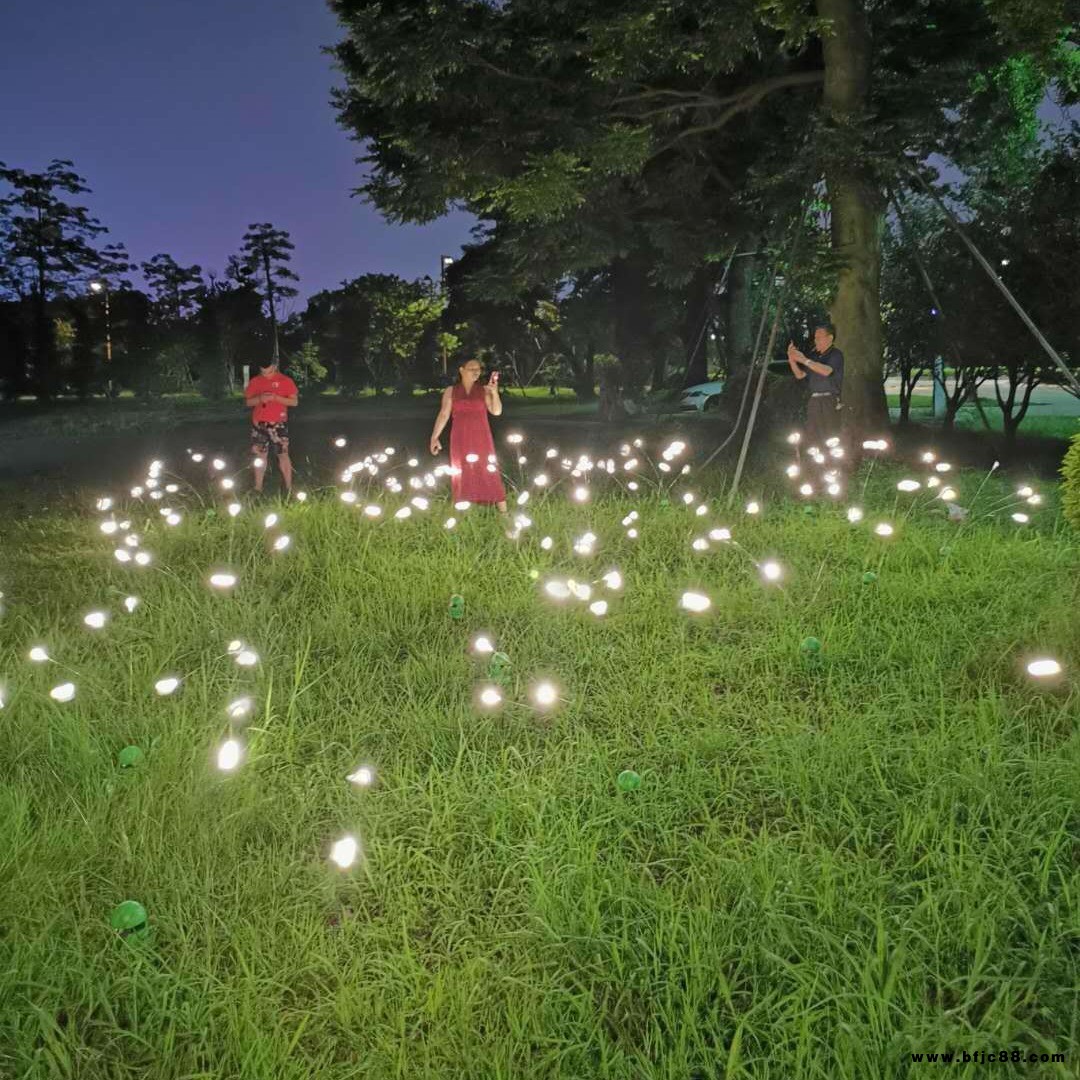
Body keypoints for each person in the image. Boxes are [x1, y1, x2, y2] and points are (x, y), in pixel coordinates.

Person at [429, 358, 507, 512]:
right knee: (461, 471)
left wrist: (494, 393)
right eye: (472, 368)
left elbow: (496, 411)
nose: (476, 371)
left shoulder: (484, 390)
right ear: (461, 370)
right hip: (460, 437)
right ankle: (462, 508)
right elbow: (444, 414)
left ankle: (503, 510)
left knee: (488, 469)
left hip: (481, 437)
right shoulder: (451, 391)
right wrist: (434, 437)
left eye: (478, 369)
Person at [244, 358, 299, 496]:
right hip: (259, 424)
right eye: (263, 371)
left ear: (274, 366)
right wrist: (260, 398)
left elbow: (294, 402)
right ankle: (258, 488)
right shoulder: (255, 381)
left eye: (269, 371)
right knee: (260, 455)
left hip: (279, 424)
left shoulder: (285, 381)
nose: (266, 374)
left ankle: (289, 487)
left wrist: (275, 398)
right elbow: (249, 402)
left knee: (283, 454)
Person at [787, 322, 844, 447]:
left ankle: (834, 464)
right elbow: (800, 375)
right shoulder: (814, 357)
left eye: (819, 337)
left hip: (829, 400)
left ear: (830, 338)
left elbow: (826, 371)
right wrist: (792, 359)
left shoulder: (836, 354)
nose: (815, 340)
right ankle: (815, 462)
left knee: (830, 435)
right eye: (815, 337)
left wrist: (804, 360)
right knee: (812, 435)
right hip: (814, 400)